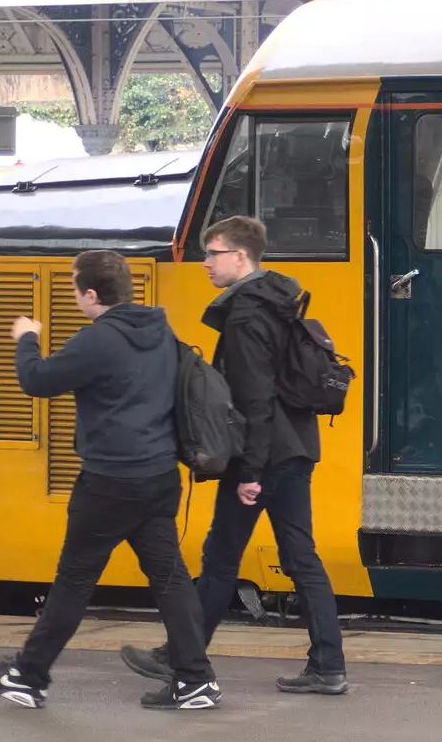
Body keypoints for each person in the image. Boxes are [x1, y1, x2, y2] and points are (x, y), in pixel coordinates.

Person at [0, 250, 221, 711]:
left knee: (74, 581)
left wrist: (27, 338)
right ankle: (195, 681)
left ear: (90, 294)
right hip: (160, 476)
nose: (74, 297)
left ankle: (27, 677)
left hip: (109, 481)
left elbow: (37, 380)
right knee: (170, 580)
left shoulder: (98, 340)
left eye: (73, 289)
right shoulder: (161, 332)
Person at [121, 216, 348, 694]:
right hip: (296, 448)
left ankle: (181, 658)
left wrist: (249, 471)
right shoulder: (279, 300)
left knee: (222, 556)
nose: (205, 263)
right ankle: (328, 666)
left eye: (213, 253)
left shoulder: (247, 315)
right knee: (300, 557)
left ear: (241, 257)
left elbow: (254, 401)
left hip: (263, 457)